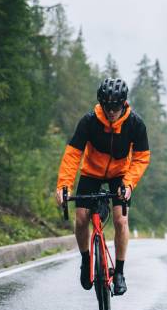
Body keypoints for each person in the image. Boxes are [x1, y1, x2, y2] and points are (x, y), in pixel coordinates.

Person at [55, 78, 150, 295]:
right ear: (101, 104)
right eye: (107, 106)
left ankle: (119, 272)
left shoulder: (135, 124)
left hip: (120, 175)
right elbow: (72, 155)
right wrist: (64, 185)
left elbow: (142, 158)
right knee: (80, 219)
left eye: (115, 107)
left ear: (123, 104)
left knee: (120, 219)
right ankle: (86, 260)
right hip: (91, 173)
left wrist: (129, 184)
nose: (111, 111)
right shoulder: (89, 121)